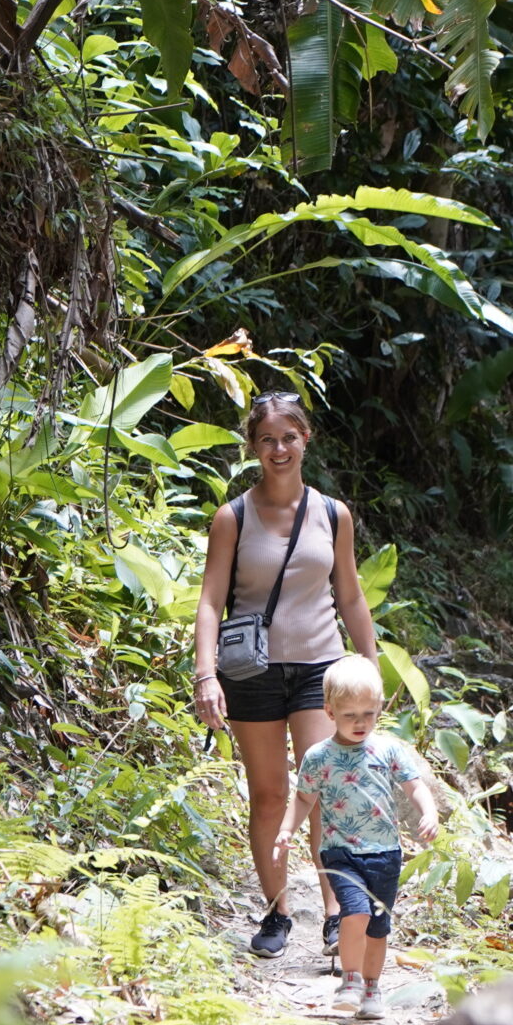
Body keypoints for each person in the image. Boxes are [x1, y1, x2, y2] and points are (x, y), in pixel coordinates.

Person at [191, 393, 379, 958]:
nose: (279, 449)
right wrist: (206, 675)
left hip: (321, 669)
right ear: (253, 446)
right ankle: (276, 912)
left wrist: (368, 664)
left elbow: (348, 592)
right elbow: (209, 601)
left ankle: (331, 911)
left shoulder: (332, 514)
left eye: (288, 438)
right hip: (252, 670)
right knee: (270, 796)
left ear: (306, 439)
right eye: (267, 439)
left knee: (321, 789)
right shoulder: (234, 518)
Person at [271, 656, 440, 1018]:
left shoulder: (388, 749)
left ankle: (372, 987)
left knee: (378, 929)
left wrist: (429, 811)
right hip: (339, 852)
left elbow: (415, 787)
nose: (361, 723)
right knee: (356, 914)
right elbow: (303, 798)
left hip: (386, 855)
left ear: (379, 707)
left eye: (369, 713)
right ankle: (350, 980)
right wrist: (286, 830)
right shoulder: (319, 757)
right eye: (350, 715)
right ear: (329, 712)